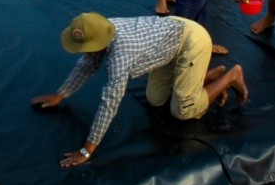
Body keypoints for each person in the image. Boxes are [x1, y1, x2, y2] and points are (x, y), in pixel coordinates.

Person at [32, 13, 248, 167]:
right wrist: (60, 94)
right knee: (155, 100)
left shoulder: (120, 56)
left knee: (183, 110)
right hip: (167, 44)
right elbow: (86, 65)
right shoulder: (103, 29)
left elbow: (110, 103)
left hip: (191, 41)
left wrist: (87, 150)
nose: (83, 53)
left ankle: (231, 76)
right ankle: (202, 77)